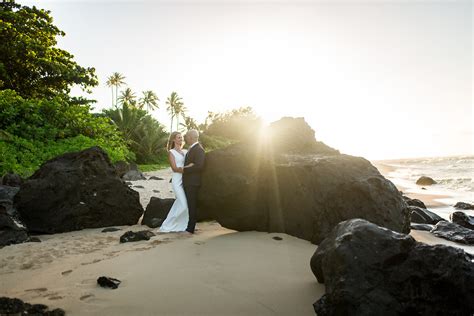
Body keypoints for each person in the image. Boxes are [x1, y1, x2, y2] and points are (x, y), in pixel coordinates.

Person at [158, 132, 190, 232]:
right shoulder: (171, 152)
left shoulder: (185, 151)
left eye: (181, 137)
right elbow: (175, 168)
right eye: (179, 138)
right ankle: (168, 225)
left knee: (181, 203)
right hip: (177, 180)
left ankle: (182, 225)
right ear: (174, 140)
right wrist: (189, 169)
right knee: (183, 204)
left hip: (185, 180)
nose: (181, 139)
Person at [182, 129, 205, 234]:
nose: (185, 138)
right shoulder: (192, 149)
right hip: (189, 181)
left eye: (186, 136)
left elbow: (199, 166)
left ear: (191, 137)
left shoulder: (199, 149)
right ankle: (188, 225)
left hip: (193, 182)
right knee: (189, 204)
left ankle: (190, 228)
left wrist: (185, 168)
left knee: (192, 205)